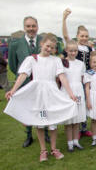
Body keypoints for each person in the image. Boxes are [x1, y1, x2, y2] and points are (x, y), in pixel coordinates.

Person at [4, 34, 77, 162]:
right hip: (38, 96)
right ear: (42, 44)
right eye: (48, 46)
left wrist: (70, 93)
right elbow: (23, 75)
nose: (49, 49)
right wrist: (13, 90)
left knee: (52, 123)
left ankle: (54, 148)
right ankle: (43, 150)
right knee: (41, 123)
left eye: (52, 48)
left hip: (52, 94)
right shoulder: (32, 59)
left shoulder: (56, 60)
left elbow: (62, 77)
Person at [8, 16, 50, 148]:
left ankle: (46, 133)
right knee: (28, 109)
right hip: (25, 83)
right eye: (28, 26)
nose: (31, 29)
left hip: (41, 84)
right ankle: (28, 135)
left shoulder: (43, 42)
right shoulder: (15, 45)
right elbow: (14, 65)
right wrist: (23, 77)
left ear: (37, 26)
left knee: (44, 108)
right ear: (24, 27)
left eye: (33, 26)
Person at [62, 8, 93, 137]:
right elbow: (64, 36)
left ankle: (83, 128)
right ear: (77, 36)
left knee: (85, 102)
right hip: (74, 78)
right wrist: (64, 18)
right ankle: (74, 126)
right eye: (82, 36)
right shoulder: (73, 45)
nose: (84, 38)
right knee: (75, 102)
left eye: (86, 36)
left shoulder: (89, 48)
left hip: (85, 78)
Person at [61, 40, 86, 152]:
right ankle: (70, 143)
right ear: (66, 50)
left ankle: (76, 141)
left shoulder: (81, 63)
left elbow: (81, 78)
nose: (73, 53)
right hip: (67, 91)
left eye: (75, 50)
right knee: (69, 120)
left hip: (78, 90)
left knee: (77, 119)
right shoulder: (62, 63)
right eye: (71, 51)